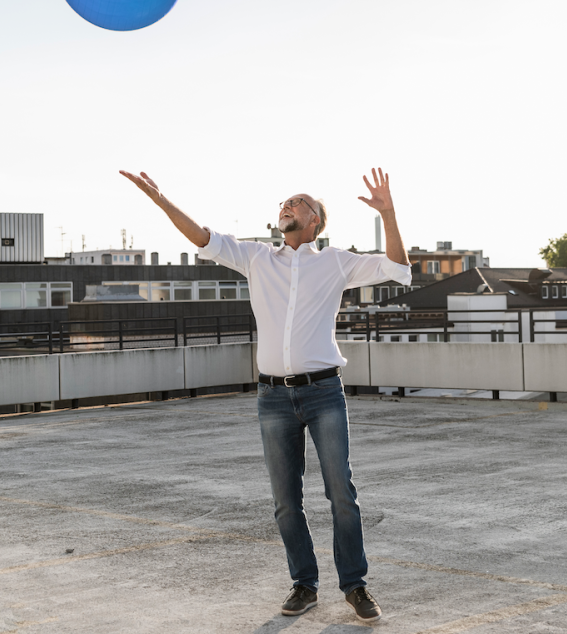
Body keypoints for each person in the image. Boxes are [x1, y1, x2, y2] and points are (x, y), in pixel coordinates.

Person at [120, 168, 411, 621]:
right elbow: (202, 237)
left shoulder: (335, 262)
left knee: (341, 494)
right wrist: (161, 200)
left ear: (315, 220)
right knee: (285, 501)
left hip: (324, 393)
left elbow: (398, 268)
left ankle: (355, 586)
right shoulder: (257, 257)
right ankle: (304, 584)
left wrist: (388, 214)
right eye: (284, 202)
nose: (286, 205)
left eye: (297, 202)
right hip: (272, 398)